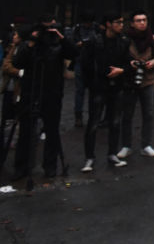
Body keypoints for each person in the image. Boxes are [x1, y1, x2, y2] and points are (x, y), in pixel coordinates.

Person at [12, 14, 77, 179]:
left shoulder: (58, 42)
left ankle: (50, 166)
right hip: (31, 91)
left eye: (51, 26)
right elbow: (17, 62)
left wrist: (62, 39)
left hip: (52, 91)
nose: (49, 30)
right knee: (26, 131)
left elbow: (74, 54)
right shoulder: (31, 42)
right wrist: (31, 42)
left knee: (52, 131)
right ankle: (22, 166)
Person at [78, 13, 131, 172]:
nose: (121, 25)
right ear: (108, 24)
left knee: (115, 122)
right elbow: (85, 64)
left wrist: (121, 71)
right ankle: (89, 157)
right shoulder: (95, 41)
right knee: (93, 123)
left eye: (122, 22)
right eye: (118, 22)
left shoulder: (124, 41)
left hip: (116, 86)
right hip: (99, 87)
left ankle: (112, 153)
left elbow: (128, 62)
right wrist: (92, 84)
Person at [118, 11, 154, 159]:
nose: (142, 23)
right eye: (138, 20)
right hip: (130, 80)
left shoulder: (153, 39)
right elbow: (120, 56)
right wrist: (130, 63)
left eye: (144, 20)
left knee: (148, 114)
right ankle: (126, 145)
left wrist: (152, 62)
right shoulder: (125, 39)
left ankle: (146, 145)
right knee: (127, 114)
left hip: (147, 80)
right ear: (132, 23)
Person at [69, 11, 99, 128]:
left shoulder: (96, 28)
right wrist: (80, 44)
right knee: (80, 90)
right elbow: (72, 44)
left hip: (93, 62)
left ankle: (93, 115)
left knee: (93, 91)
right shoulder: (77, 29)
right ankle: (78, 116)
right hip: (80, 61)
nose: (87, 25)